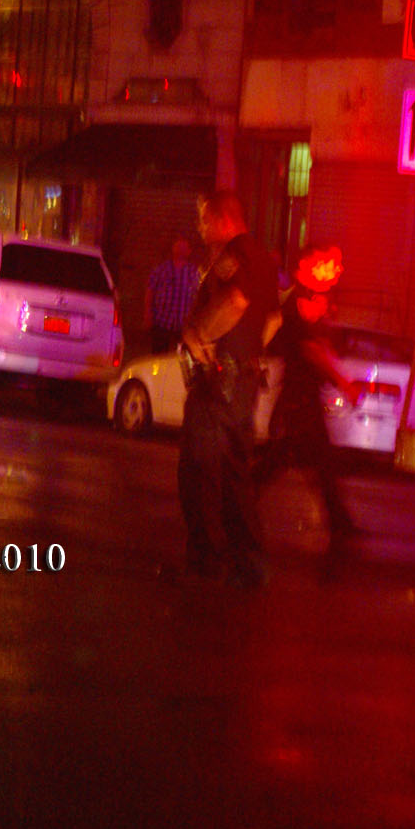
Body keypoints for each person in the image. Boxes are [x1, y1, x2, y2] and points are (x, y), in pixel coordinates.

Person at [175, 190, 280, 588]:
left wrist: (198, 333)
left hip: (218, 380)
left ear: (222, 220)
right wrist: (249, 351)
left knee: (200, 470)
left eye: (203, 219)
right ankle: (249, 562)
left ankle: (205, 560)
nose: (200, 229)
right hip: (244, 380)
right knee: (236, 475)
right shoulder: (264, 261)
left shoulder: (233, 256)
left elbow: (235, 301)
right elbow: (272, 319)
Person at [262, 245, 361, 573]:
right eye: (330, 263)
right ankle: (232, 508)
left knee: (308, 462)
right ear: (308, 266)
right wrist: (344, 383)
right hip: (298, 399)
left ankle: (340, 521)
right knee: (290, 461)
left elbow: (321, 347)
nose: (338, 270)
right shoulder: (301, 300)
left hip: (302, 398)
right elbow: (311, 350)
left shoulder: (313, 299)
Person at [144, 237, 199, 354]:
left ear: (189, 251)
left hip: (183, 323)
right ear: (173, 249)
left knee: (181, 357)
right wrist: (148, 313)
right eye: (179, 247)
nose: (181, 250)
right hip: (162, 320)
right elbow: (150, 290)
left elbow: (197, 295)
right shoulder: (161, 269)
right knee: (159, 355)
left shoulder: (194, 272)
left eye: (184, 247)